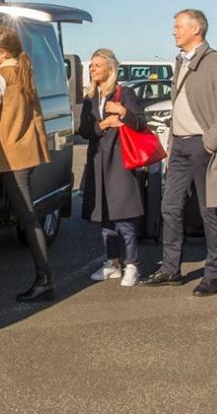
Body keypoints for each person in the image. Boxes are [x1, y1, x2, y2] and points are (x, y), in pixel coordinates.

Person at [140, 9, 217, 296]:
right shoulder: (180, 61)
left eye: (178, 26)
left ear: (195, 29)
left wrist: (209, 142)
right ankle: (171, 269)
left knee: (209, 211)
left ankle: (212, 275)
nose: (173, 31)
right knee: (169, 208)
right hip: (181, 146)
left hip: (204, 145)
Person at [0, 25, 52, 302]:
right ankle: (44, 277)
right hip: (28, 150)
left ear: (2, 52)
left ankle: (44, 279)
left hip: (11, 152)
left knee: (29, 218)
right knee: (27, 215)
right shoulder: (24, 70)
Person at [79, 49, 147, 287]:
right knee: (104, 217)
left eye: (97, 65)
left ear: (110, 68)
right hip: (98, 161)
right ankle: (113, 263)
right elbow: (84, 131)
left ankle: (132, 264)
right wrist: (103, 124)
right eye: (91, 66)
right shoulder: (90, 97)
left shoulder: (124, 93)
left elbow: (141, 123)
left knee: (123, 217)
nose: (92, 69)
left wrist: (123, 112)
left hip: (120, 161)